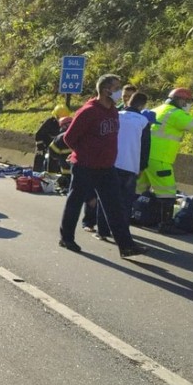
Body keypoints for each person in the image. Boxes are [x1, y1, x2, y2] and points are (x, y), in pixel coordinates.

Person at [58, 73, 147, 258]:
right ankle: (66, 238)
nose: (118, 92)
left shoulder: (113, 110)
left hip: (107, 167)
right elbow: (69, 137)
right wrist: (84, 154)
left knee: (115, 207)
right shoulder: (88, 111)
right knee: (75, 202)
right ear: (106, 90)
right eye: (116, 88)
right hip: (85, 166)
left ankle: (126, 246)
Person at [91, 91, 152, 240]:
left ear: (129, 101)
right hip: (130, 166)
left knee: (105, 199)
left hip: (110, 163)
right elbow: (145, 148)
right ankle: (122, 234)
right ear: (142, 105)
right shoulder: (143, 121)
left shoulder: (116, 115)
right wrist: (141, 167)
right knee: (125, 202)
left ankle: (103, 231)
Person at [136, 87, 193, 234]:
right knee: (167, 192)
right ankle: (166, 224)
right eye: (187, 101)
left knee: (139, 188)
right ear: (180, 100)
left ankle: (134, 215)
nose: (188, 104)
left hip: (144, 156)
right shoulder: (176, 114)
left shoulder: (158, 109)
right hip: (160, 159)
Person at [34, 103, 72, 172]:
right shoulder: (49, 123)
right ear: (56, 116)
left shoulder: (67, 125)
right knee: (41, 162)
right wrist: (41, 148)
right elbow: (39, 135)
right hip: (46, 147)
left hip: (57, 149)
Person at [48, 116, 73, 193]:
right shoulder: (81, 134)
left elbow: (52, 152)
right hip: (80, 169)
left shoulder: (59, 138)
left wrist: (60, 157)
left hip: (65, 170)